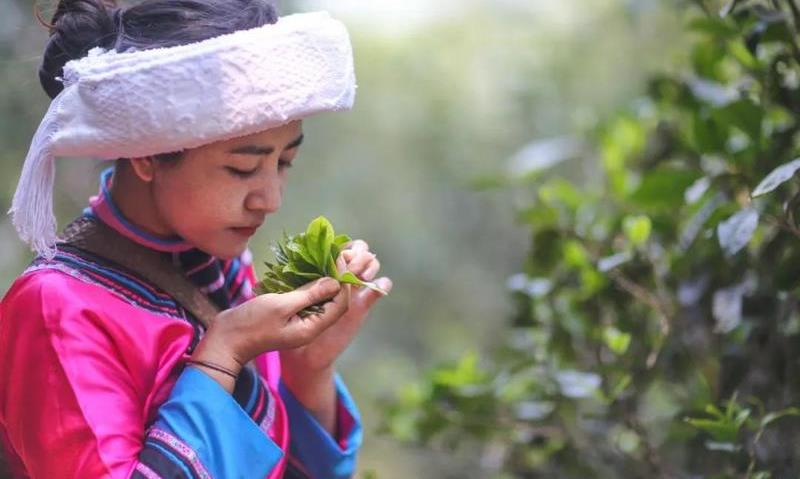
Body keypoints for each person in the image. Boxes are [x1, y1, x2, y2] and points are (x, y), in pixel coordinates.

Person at [0, 1, 392, 478]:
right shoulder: (56, 308)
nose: (269, 198)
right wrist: (222, 356)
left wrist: (309, 368)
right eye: (241, 168)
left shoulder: (220, 267)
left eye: (284, 162)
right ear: (147, 155)